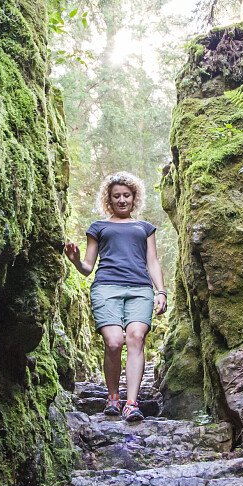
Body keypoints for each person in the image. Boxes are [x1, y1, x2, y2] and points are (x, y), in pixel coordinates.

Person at [63, 171, 167, 422]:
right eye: (116, 196)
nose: (122, 200)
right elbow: (88, 267)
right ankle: (112, 397)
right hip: (106, 288)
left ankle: (132, 403)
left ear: (134, 198)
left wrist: (161, 291)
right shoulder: (98, 227)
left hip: (139, 289)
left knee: (136, 337)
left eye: (126, 195)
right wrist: (76, 260)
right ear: (108, 199)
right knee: (113, 343)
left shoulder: (145, 228)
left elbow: (152, 261)